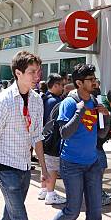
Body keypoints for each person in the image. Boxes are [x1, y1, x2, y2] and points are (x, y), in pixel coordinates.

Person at [40, 63, 110, 220]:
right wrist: (79, 112)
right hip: (72, 164)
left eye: (95, 79)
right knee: (73, 210)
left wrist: (106, 117)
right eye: (91, 80)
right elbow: (64, 132)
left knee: (95, 213)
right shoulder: (69, 103)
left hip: (92, 163)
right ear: (79, 83)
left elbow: (101, 134)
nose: (94, 83)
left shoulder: (95, 102)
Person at [0, 51, 48, 220]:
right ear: (18, 73)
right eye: (32, 72)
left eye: (38, 72)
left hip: (25, 168)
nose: (37, 76)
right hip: (5, 168)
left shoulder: (37, 100)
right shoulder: (4, 100)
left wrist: (44, 169)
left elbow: (37, 136)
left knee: (10, 218)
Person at [38, 73, 66, 205]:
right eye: (61, 85)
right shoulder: (55, 102)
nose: (63, 88)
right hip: (52, 139)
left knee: (45, 165)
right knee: (52, 167)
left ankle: (44, 189)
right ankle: (50, 193)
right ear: (54, 85)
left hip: (42, 139)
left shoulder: (44, 98)